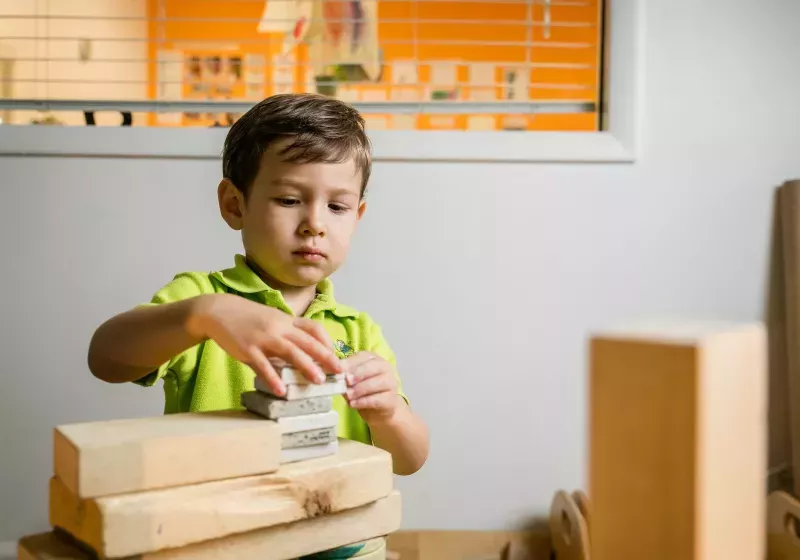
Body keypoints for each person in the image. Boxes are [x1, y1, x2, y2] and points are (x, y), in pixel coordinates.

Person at [87, 93, 429, 477]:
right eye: (288, 199)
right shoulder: (202, 302)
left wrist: (389, 413)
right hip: (222, 525)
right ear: (235, 205)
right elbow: (105, 359)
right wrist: (204, 316)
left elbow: (409, 461)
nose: (315, 223)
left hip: (332, 530)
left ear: (357, 217)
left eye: (337, 207)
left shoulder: (359, 331)